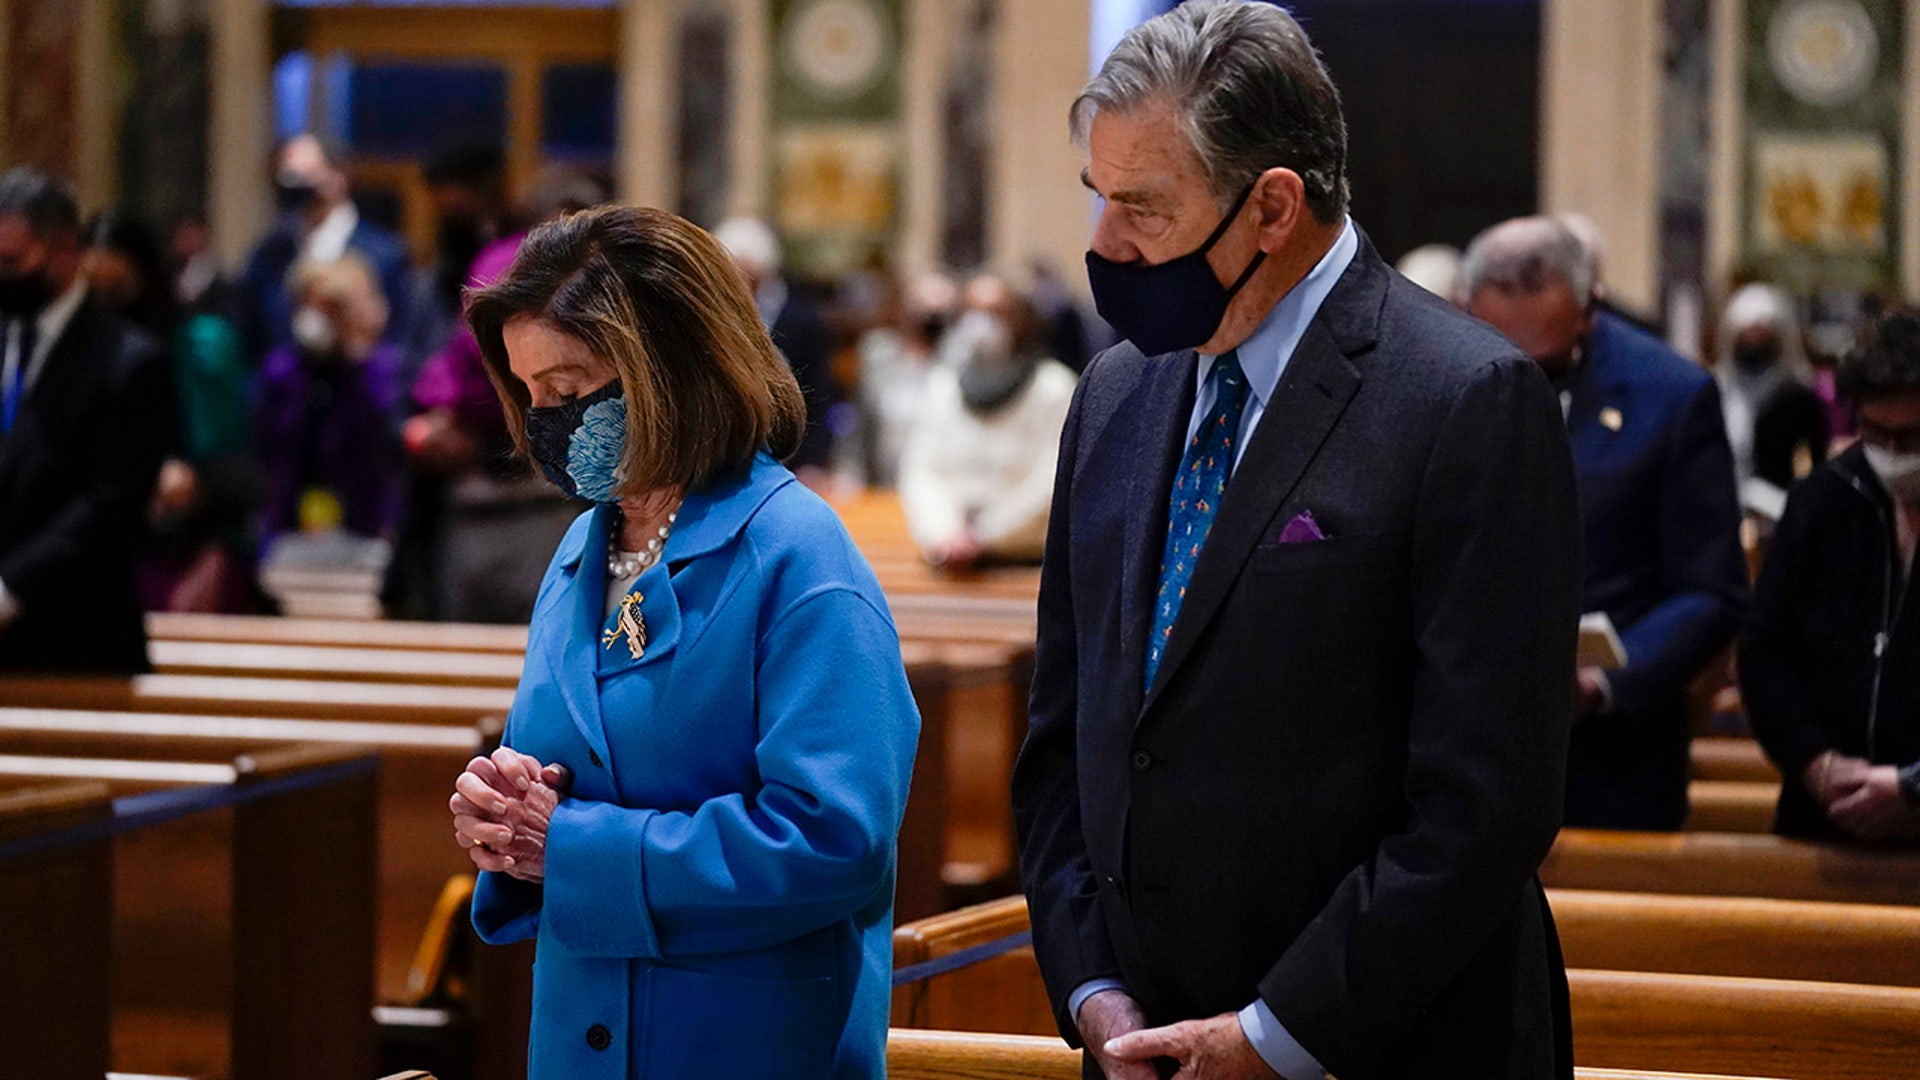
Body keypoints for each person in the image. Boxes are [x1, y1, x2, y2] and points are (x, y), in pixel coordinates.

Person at [1012, 6, 1583, 1078]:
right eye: (1100, 198)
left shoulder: (1465, 398)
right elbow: (1062, 742)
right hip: (1138, 1045)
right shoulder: (1116, 391)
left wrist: (1274, 1037)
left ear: (1273, 206)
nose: (1105, 246)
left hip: (1380, 1043)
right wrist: (1094, 989)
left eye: (1143, 207)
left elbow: (1484, 804)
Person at [449, 205, 919, 1079]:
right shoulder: (585, 546)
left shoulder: (796, 553)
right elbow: (566, 772)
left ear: (669, 366)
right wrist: (501, 816)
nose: (546, 418)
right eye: (530, 393)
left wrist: (573, 847)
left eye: (571, 385)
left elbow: (834, 840)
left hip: (744, 1041)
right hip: (583, 1030)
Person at [1463, 216, 1748, 831]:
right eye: (1499, 354)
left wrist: (1603, 682)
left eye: (1543, 360)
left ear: (1589, 309)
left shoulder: (1671, 397)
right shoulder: (1438, 376)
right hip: (1461, 747)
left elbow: (1712, 588)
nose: (1522, 379)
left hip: (1612, 761)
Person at [1740, 308, 1920, 842]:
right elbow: (1763, 649)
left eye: (1910, 438)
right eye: (1875, 432)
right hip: (1821, 817)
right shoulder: (1823, 499)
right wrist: (1814, 763)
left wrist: (1911, 786)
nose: (1891, 454)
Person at [0, 168, 172, 672]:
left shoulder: (129, 360)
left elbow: (109, 508)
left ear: (67, 251)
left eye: (13, 260)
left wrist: (8, 588)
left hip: (76, 642)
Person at [898, 275, 1075, 568]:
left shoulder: (1053, 388)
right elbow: (921, 469)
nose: (981, 323)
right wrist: (944, 534)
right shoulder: (943, 385)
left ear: (1022, 320)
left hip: (1023, 559)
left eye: (997, 312)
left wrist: (984, 535)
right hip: (948, 555)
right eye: (973, 311)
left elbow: (1051, 480)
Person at [251, 255, 404, 549]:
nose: (317, 317)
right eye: (308, 305)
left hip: (369, 534)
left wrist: (357, 352)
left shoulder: (383, 369)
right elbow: (272, 446)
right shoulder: (282, 371)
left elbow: (381, 438)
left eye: (331, 309)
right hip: (289, 535)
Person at [238, 133, 412, 366]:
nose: (298, 188)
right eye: (287, 178)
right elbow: (253, 332)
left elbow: (402, 336)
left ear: (339, 176)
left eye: (307, 176)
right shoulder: (269, 254)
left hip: (360, 391)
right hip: (289, 392)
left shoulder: (384, 253)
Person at [713, 216, 838, 478]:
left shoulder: (800, 317)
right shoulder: (715, 314)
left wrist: (813, 461)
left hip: (789, 452)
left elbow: (819, 390)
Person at [1716, 282, 1827, 508]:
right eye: (1747, 335)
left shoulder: (1798, 398)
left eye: (1761, 334)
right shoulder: (1716, 391)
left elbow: (1814, 462)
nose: (1753, 343)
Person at [856, 270, 956, 487]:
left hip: (938, 486)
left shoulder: (958, 362)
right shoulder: (878, 353)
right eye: (923, 306)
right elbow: (861, 421)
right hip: (882, 482)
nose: (929, 316)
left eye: (938, 311)